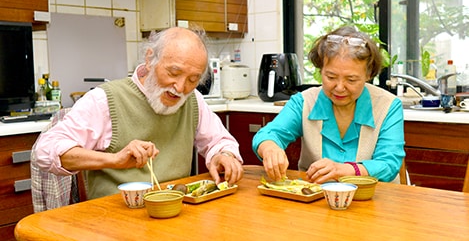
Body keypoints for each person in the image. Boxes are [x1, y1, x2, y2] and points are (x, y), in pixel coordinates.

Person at [34, 27, 244, 199]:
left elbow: (219, 140)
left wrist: (223, 155)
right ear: (150, 59)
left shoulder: (192, 100)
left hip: (175, 212)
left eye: (193, 80)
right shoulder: (105, 99)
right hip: (114, 220)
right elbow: (45, 150)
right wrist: (115, 160)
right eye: (174, 73)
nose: (180, 88)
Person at [252, 25, 405, 184]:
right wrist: (270, 148)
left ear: (368, 75)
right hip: (316, 198)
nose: (339, 87)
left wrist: (343, 170)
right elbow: (268, 134)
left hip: (374, 200)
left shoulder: (388, 105)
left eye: (351, 80)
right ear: (320, 71)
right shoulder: (304, 102)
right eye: (331, 77)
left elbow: (389, 164)